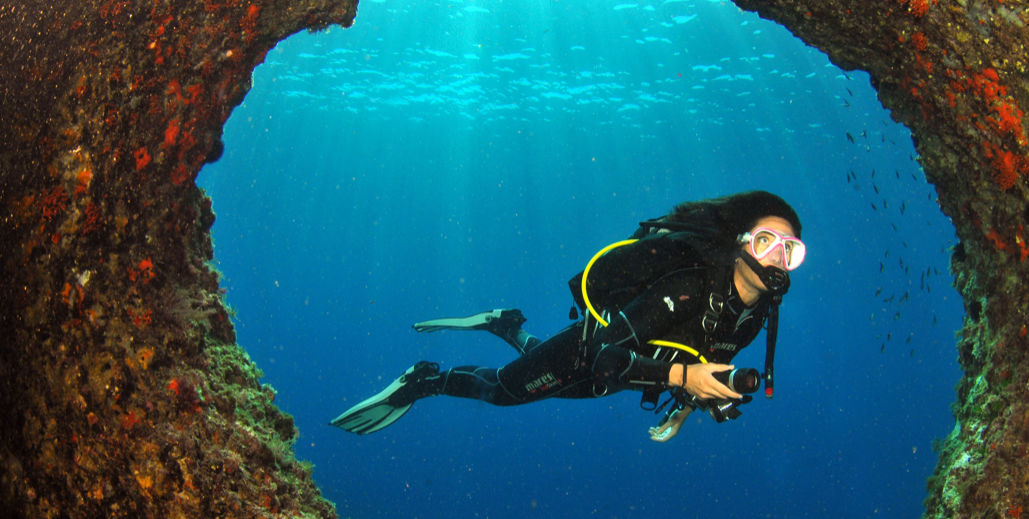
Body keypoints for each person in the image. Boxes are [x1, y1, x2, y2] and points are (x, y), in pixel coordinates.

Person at [331, 191, 804, 441]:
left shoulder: (756, 311)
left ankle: (506, 326)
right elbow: (604, 357)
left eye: (791, 250)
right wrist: (683, 376)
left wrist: (685, 403)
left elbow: (706, 359)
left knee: (540, 368)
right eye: (767, 241)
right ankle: (424, 380)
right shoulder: (691, 287)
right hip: (596, 356)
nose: (777, 258)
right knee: (502, 391)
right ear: (740, 242)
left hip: (617, 378)